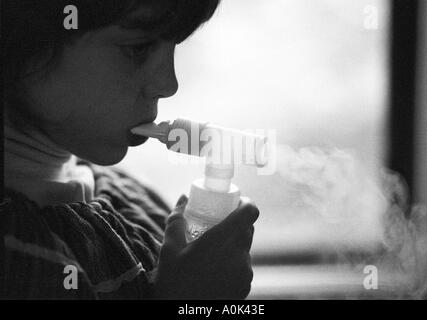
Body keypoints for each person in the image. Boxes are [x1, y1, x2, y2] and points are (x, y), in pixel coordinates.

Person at [1, 0, 259, 299]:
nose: (168, 84)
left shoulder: (135, 199)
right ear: (18, 41)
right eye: (138, 48)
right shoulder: (15, 263)